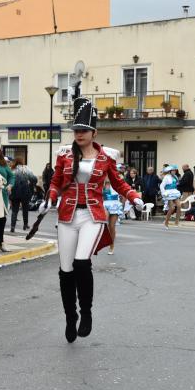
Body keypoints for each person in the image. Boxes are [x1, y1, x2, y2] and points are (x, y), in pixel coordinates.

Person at [44, 97, 143, 343]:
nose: (78, 134)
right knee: (65, 271)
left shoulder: (106, 158)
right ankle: (70, 317)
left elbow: (118, 183)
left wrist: (133, 196)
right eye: (76, 130)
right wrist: (50, 197)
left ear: (93, 132)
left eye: (83, 130)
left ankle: (86, 312)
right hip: (67, 215)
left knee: (80, 264)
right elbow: (56, 182)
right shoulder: (65, 155)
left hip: (93, 215)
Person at [10, 157, 38, 232]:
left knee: (14, 210)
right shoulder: (26, 169)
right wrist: (32, 183)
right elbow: (34, 179)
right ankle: (25, 225)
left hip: (14, 192)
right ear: (22, 162)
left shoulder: (12, 170)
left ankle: (12, 226)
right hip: (25, 192)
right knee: (25, 209)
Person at [102, 179, 123, 255]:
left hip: (115, 205)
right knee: (105, 225)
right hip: (104, 205)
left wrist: (122, 204)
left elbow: (123, 195)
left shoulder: (116, 183)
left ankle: (111, 246)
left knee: (112, 226)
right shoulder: (101, 183)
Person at [160, 165, 182, 229]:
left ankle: (176, 222)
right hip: (168, 193)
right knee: (172, 208)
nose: (174, 171)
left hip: (174, 192)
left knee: (179, 206)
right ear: (170, 171)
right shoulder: (166, 177)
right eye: (173, 170)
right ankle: (166, 222)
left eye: (175, 170)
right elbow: (162, 186)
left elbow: (176, 184)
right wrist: (163, 193)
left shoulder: (175, 177)